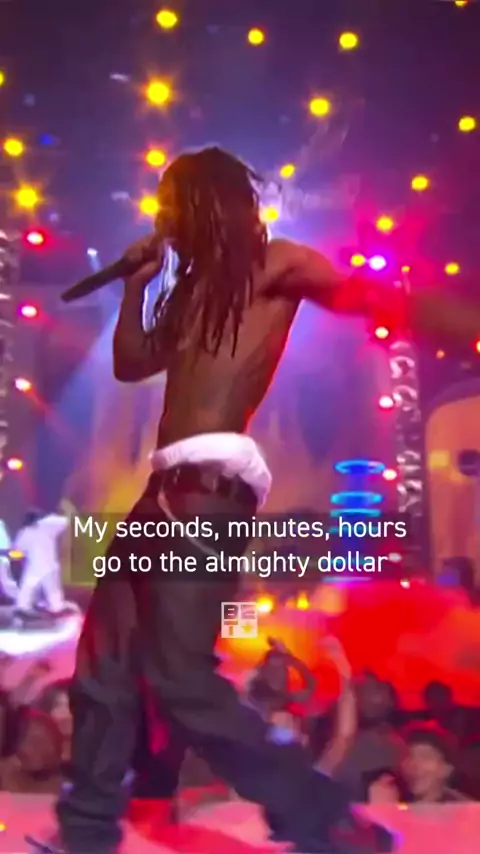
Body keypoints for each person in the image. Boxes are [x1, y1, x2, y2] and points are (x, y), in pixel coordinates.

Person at [54, 145, 480, 854]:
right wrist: (138, 282)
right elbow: (131, 362)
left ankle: (328, 820)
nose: (165, 221)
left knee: (180, 679)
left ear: (209, 204)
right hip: (161, 495)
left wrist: (463, 322)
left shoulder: (277, 263)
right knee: (102, 665)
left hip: (205, 497)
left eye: (174, 206)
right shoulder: (192, 292)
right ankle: (86, 830)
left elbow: (375, 298)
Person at [13, 505, 71, 622]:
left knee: (29, 586)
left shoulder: (24, 532)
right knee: (52, 587)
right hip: (49, 563)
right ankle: (56, 607)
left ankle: (22, 607)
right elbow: (65, 522)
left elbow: (17, 551)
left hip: (35, 564)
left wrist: (19, 558)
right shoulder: (47, 524)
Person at [0, 518, 18, 602]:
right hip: (3, 556)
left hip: (2, 558)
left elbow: (5, 546)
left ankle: (20, 598)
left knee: (6, 581)